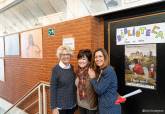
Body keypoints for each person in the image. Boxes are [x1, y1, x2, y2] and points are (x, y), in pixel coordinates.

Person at [88, 48, 121, 114]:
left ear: (105, 57)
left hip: (110, 108)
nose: (98, 59)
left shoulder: (109, 70)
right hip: (105, 106)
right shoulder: (102, 70)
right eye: (96, 57)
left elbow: (99, 90)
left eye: (100, 56)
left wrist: (92, 78)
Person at [50, 45, 76, 114]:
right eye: (63, 54)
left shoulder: (72, 68)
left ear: (70, 55)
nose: (66, 56)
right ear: (59, 56)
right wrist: (54, 107)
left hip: (71, 105)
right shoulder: (55, 69)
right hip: (60, 107)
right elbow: (53, 89)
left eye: (67, 54)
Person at [75, 49, 97, 114]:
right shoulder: (77, 72)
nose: (81, 61)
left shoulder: (92, 72)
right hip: (80, 104)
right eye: (79, 58)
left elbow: (99, 87)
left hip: (90, 106)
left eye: (84, 59)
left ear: (89, 61)